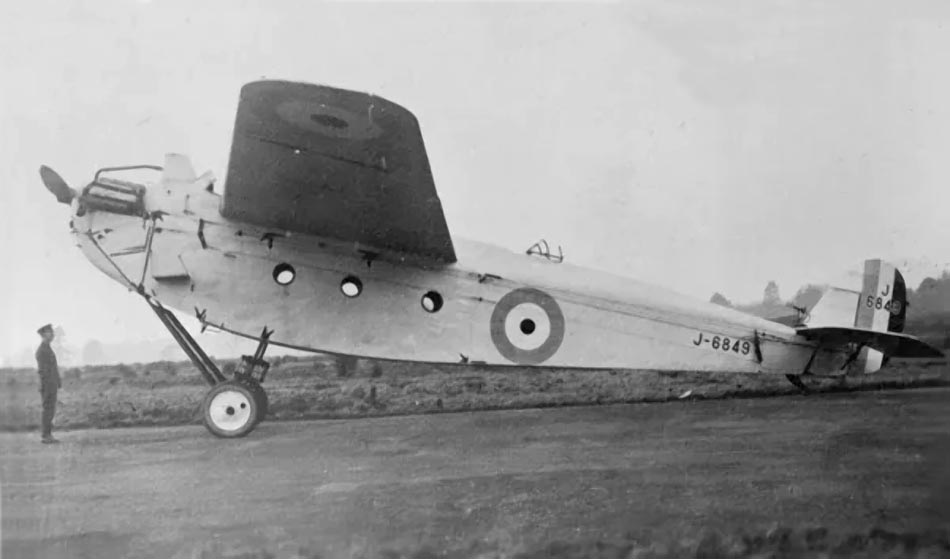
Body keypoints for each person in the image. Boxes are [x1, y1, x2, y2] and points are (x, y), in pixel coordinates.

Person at [35, 323, 61, 443]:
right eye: (50, 332)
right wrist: (49, 384)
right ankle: (46, 436)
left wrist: (57, 381)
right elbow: (43, 371)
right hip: (47, 384)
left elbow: (53, 368)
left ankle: (48, 434)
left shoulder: (47, 349)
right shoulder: (42, 351)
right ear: (44, 334)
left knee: (50, 410)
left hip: (51, 384)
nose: (53, 334)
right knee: (48, 410)